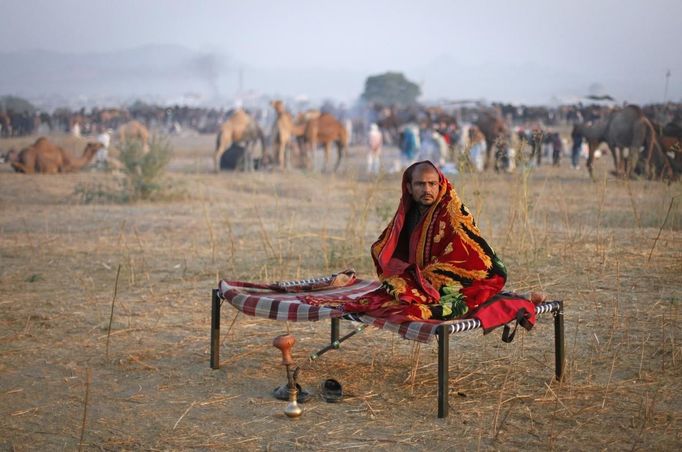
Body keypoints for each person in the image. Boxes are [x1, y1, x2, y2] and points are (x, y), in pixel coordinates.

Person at [344, 161, 544, 323]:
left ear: (440, 184)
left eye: (432, 184)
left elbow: (467, 252)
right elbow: (388, 243)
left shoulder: (451, 210)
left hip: (469, 272)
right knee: (396, 289)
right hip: (428, 274)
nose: (427, 189)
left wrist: (427, 276)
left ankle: (518, 300)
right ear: (409, 187)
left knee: (421, 298)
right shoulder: (408, 210)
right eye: (420, 184)